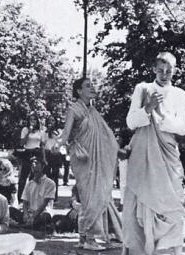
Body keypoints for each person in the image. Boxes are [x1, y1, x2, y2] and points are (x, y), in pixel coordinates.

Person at [122, 52, 185, 255]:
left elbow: (184, 127)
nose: (164, 74)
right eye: (160, 70)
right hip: (143, 155)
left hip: (168, 154)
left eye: (169, 70)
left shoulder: (180, 94)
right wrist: (148, 108)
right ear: (153, 69)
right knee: (139, 205)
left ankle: (167, 250)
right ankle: (140, 249)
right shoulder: (142, 89)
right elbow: (130, 122)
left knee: (174, 205)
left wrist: (161, 115)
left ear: (174, 70)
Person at [58, 77, 122, 251]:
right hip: (82, 159)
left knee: (99, 195)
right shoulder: (74, 109)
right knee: (88, 198)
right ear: (78, 91)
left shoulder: (93, 111)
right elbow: (65, 135)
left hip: (96, 160)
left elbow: (106, 137)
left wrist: (116, 150)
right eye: (88, 86)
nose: (92, 88)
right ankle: (88, 238)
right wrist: (55, 145)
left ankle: (87, 238)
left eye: (92, 85)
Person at [10, 156, 55, 232]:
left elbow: (45, 203)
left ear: (43, 166)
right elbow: (25, 201)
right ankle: (29, 225)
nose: (33, 165)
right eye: (32, 163)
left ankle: (23, 226)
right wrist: (26, 214)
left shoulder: (50, 183)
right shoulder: (29, 184)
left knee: (45, 217)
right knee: (10, 210)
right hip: (30, 214)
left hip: (42, 213)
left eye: (36, 163)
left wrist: (34, 216)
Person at [18, 113, 44, 201]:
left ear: (37, 121)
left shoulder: (40, 131)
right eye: (31, 119)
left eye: (34, 119)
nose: (32, 121)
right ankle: (20, 198)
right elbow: (22, 143)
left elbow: (42, 144)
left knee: (34, 177)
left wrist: (43, 157)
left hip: (36, 153)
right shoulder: (25, 129)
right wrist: (29, 131)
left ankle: (32, 198)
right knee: (23, 177)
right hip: (27, 152)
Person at [42, 115, 62, 200]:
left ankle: (55, 196)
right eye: (49, 121)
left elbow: (61, 142)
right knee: (47, 176)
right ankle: (48, 195)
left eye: (53, 120)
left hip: (56, 154)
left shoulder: (59, 131)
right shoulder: (45, 133)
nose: (51, 122)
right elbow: (43, 146)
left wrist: (55, 134)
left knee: (55, 176)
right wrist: (44, 158)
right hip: (47, 154)